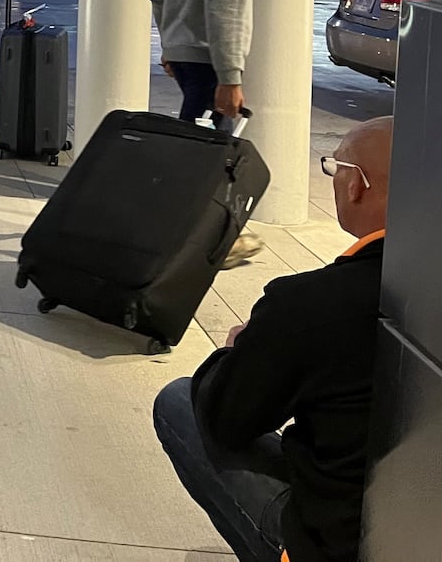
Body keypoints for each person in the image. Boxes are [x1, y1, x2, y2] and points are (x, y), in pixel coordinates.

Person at [152, 115, 392, 562]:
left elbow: (227, 417)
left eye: (335, 166)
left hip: (338, 542)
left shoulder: (310, 303)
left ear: (358, 186)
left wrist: (235, 352)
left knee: (181, 400)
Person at [150, 0, 278, 266]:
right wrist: (230, 76)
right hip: (210, 61)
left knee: (202, 147)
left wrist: (170, 43)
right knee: (208, 156)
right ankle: (197, 237)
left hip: (188, 56)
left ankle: (205, 232)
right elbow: (226, 6)